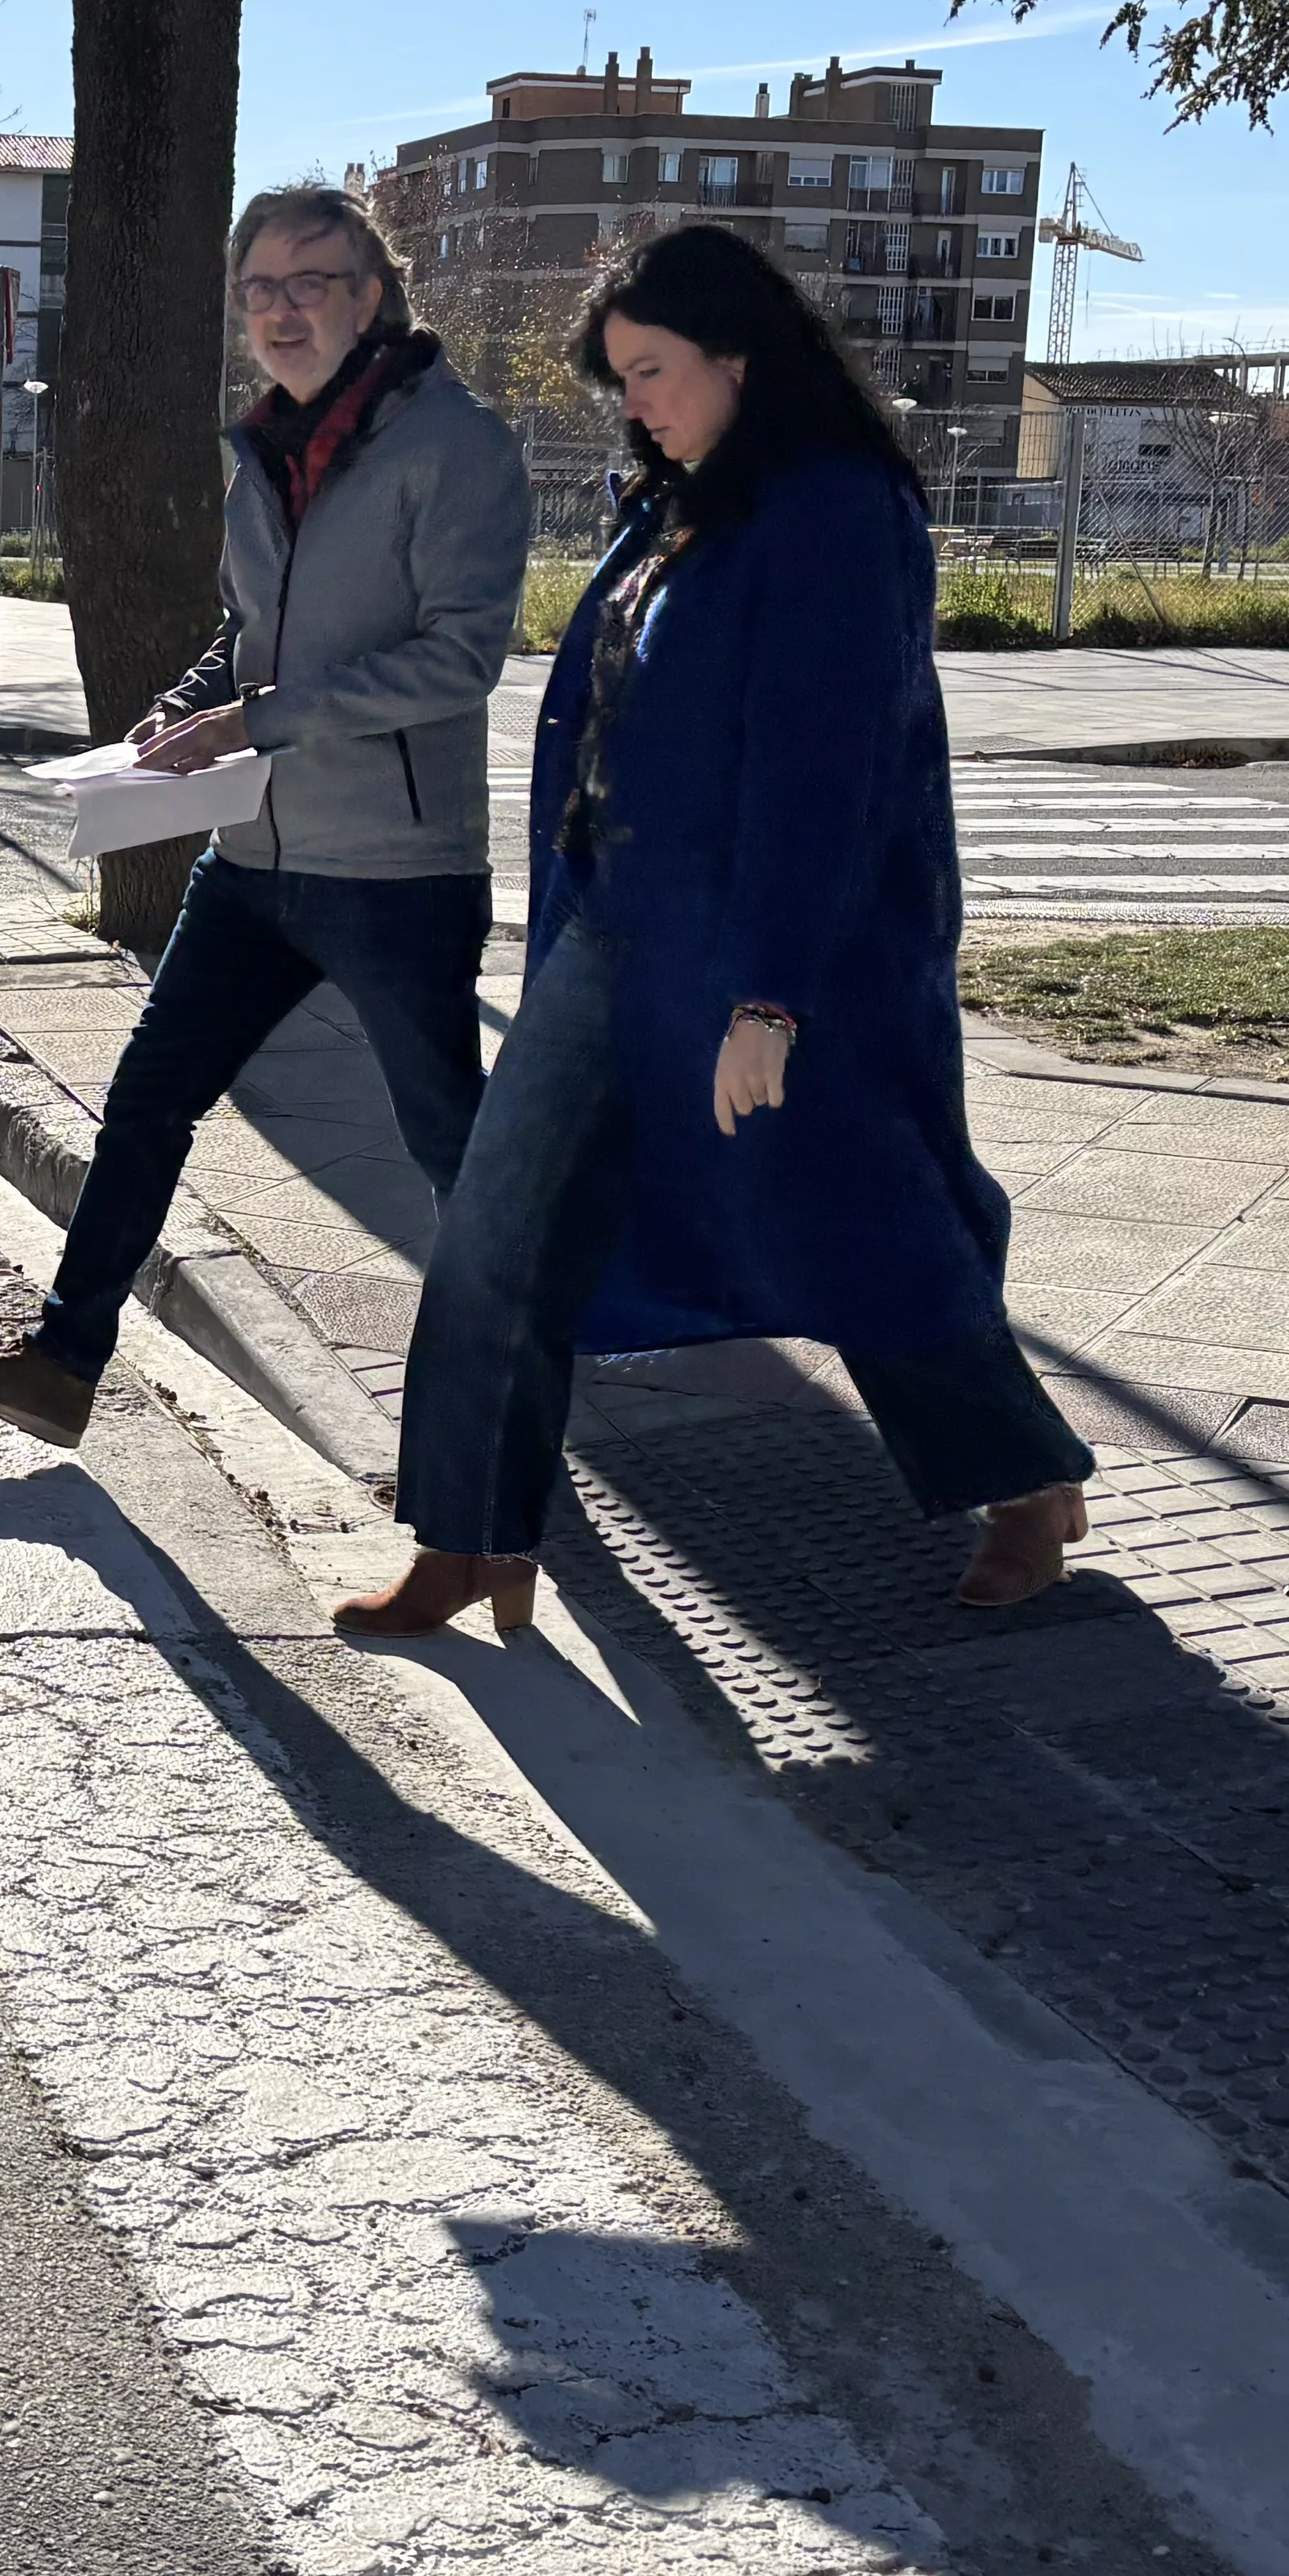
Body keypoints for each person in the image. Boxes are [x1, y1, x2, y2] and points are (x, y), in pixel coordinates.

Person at [337, 222, 1093, 1642]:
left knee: (859, 1224)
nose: (635, 403)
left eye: (652, 371)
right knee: (494, 1218)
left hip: (783, 958)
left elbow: (829, 767)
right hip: (618, 931)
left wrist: (770, 1000)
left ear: (739, 357)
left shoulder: (832, 506)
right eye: (620, 379)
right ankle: (463, 1534)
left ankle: (1022, 1479)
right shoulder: (678, 499)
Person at [0, 182, 529, 1447]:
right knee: (146, 1100)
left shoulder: (456, 445)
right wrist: (180, 707)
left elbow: (459, 661)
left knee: (453, 1153)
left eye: (312, 283)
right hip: (253, 861)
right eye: (260, 290)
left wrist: (255, 721)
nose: (283, 310)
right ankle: (63, 1364)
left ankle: (505, 1422)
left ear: (372, 298)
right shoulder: (265, 449)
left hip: (396, 870)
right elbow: (250, 634)